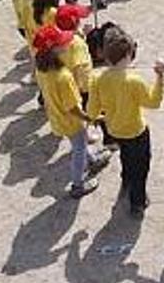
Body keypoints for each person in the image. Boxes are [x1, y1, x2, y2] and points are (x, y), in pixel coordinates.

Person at [87, 27, 164, 218]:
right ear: (129, 54)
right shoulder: (134, 81)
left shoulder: (97, 79)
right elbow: (153, 102)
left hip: (114, 129)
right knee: (142, 166)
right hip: (136, 131)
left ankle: (126, 180)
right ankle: (137, 202)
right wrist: (160, 78)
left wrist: (102, 117)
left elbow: (92, 110)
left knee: (126, 155)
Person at [33, 25, 109, 199]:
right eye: (61, 43)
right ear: (53, 50)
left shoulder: (41, 69)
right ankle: (78, 185)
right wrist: (91, 118)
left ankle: (93, 159)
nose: (66, 44)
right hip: (72, 122)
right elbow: (73, 108)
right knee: (79, 150)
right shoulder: (63, 77)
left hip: (56, 117)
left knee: (79, 144)